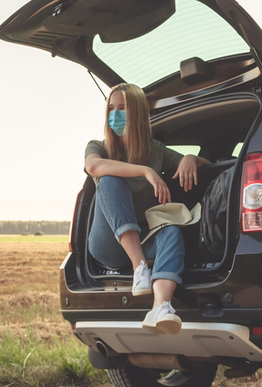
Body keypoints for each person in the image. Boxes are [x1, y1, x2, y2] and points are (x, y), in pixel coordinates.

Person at [84, 83, 209, 335]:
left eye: (123, 109)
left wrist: (189, 159)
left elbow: (210, 166)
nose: (115, 115)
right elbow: (94, 167)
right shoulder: (99, 147)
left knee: (171, 232)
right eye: (111, 108)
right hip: (108, 244)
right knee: (109, 180)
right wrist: (145, 171)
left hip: (144, 237)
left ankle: (160, 307)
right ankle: (139, 266)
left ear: (138, 114)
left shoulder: (155, 151)